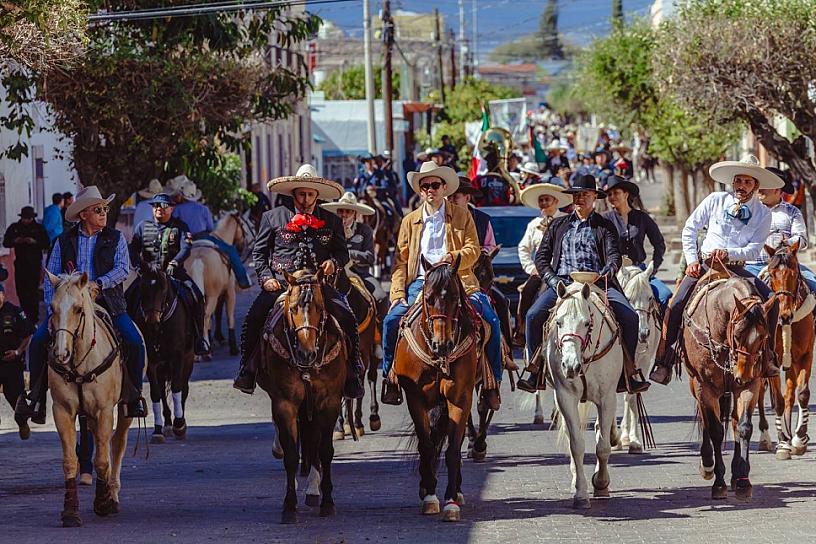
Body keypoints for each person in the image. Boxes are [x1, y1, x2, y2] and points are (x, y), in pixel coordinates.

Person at [16, 186, 148, 424]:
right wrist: (54, 306)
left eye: (105, 209)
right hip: (68, 306)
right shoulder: (63, 241)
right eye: (98, 209)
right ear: (83, 214)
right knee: (36, 343)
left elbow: (122, 269)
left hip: (108, 303)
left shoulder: (115, 238)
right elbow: (51, 276)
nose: (103, 213)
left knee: (135, 342)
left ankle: (134, 396)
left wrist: (99, 283)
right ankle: (35, 399)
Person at [232, 164, 364, 399]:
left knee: (347, 316)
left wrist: (334, 262)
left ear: (316, 195)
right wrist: (266, 278)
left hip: (319, 286)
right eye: (301, 194)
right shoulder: (272, 217)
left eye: (310, 194)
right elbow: (259, 254)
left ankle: (353, 371)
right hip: (283, 286)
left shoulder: (331, 221)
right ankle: (247, 370)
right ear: (294, 194)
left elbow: (342, 253)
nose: (305, 199)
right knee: (253, 317)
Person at [380, 162, 504, 410]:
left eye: (435, 185)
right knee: (391, 321)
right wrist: (396, 293)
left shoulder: (461, 214)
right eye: (425, 186)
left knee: (491, 320)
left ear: (444, 188)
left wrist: (454, 257)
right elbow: (400, 262)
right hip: (421, 283)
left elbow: (473, 250)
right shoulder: (409, 221)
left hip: (458, 280)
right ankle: (390, 378)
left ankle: (492, 383)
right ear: (420, 190)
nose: (430, 190)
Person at [650, 155, 782, 385]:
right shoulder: (715, 200)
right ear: (733, 182)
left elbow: (753, 249)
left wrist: (729, 253)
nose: (741, 186)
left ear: (756, 185)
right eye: (738, 180)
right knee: (676, 303)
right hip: (705, 265)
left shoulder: (764, 214)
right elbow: (690, 229)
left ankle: (768, 354)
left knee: (772, 300)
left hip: (736, 269)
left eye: (747, 182)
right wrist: (692, 260)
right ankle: (666, 359)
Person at [521, 174, 651, 394]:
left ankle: (628, 372)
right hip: (562, 284)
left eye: (585, 194)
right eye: (576, 195)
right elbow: (541, 258)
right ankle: (535, 370)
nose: (580, 198)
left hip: (597, 283)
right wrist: (553, 280)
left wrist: (605, 273)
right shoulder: (558, 225)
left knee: (630, 317)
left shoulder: (605, 225)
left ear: (594, 197)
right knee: (533, 316)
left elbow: (614, 257)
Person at [127, 193, 209, 355]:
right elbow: (133, 249)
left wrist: (175, 263)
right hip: (149, 276)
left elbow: (185, 248)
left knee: (197, 296)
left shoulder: (180, 227)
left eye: (164, 206)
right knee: (128, 297)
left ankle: (199, 339)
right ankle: (126, 340)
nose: (159, 209)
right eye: (156, 206)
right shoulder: (142, 227)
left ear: (171, 208)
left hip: (174, 274)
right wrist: (138, 267)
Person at [512, 180, 570, 353]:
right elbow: (523, 247)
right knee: (527, 292)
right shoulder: (533, 224)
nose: (544, 203)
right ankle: (521, 331)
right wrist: (531, 268)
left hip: (562, 271)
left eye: (547, 200)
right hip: (540, 271)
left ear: (556, 202)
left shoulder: (566, 221)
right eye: (541, 200)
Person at [603, 176, 671, 314]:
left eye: (616, 193)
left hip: (640, 270)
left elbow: (659, 244)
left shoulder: (642, 217)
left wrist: (653, 267)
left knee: (665, 295)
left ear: (626, 194)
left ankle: (663, 335)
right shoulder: (605, 219)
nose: (612, 197)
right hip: (615, 274)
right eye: (609, 194)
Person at [744, 166, 816, 293]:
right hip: (753, 265)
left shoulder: (792, 212)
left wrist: (786, 243)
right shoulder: (748, 210)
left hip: (785, 266)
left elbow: (802, 239)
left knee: (813, 285)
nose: (760, 189)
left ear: (777, 189)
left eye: (765, 185)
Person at [320, 192, 388, 319]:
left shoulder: (365, 230)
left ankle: (380, 333)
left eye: (348, 212)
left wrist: (349, 254)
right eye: (341, 211)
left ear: (355, 214)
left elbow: (370, 257)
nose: (344, 215)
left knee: (381, 298)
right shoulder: (330, 230)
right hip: (334, 273)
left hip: (360, 273)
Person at [2, 206, 50, 324]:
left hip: (34, 266)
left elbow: (46, 243)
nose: (26, 221)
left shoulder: (38, 228)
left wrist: (34, 242)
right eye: (25, 218)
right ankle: (24, 318)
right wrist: (16, 241)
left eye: (28, 218)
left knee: (32, 293)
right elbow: (6, 242)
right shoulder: (15, 228)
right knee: (21, 292)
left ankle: (33, 319)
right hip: (20, 265)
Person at [0, 283, 34, 439]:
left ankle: (22, 423)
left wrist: (18, 351)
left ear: (3, 295)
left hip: (11, 363)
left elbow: (28, 334)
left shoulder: (14, 312)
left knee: (16, 398)